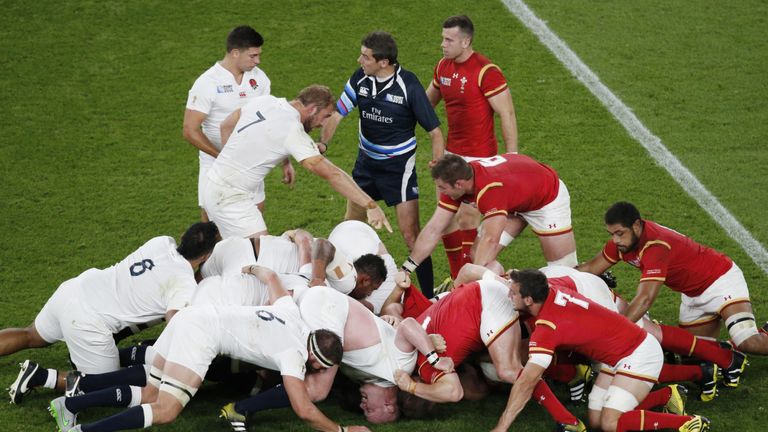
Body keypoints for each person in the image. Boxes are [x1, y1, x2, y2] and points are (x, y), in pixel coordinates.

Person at [48, 268, 370, 432]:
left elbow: (271, 278)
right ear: (314, 357)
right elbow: (303, 409)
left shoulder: (294, 316)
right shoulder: (294, 356)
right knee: (166, 410)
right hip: (200, 335)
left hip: (192, 315)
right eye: (321, 366)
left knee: (150, 391)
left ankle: (69, 404)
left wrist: (250, 268)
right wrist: (340, 430)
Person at [4, 222, 219, 404]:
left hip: (76, 288)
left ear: (182, 236)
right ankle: (39, 376)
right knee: (106, 385)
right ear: (206, 256)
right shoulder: (184, 284)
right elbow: (175, 319)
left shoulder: (161, 242)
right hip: (88, 321)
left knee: (30, 335)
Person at [492, 269, 710, 432]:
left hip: (639, 354)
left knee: (609, 422)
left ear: (529, 300)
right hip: (619, 355)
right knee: (595, 420)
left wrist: (501, 427)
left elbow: (526, 381)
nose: (508, 296)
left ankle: (688, 423)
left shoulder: (547, 328)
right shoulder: (552, 290)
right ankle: (666, 394)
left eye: (512, 293)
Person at [578, 201, 758, 389]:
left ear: (637, 226)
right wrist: (559, 280)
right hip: (692, 296)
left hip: (720, 281)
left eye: (619, 233)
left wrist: (616, 331)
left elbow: (645, 299)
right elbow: (590, 268)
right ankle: (733, 352)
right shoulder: (625, 243)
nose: (615, 240)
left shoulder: (656, 246)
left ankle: (753, 339)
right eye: (612, 234)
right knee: (694, 357)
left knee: (748, 341)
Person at [220, 286, 451, 427]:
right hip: (328, 312)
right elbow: (409, 325)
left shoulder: (369, 377)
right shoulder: (401, 367)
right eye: (369, 408)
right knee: (317, 389)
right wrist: (433, 357)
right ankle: (241, 408)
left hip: (323, 307)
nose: (363, 405)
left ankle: (224, 342)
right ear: (390, 405)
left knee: (280, 350)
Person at [321, 31, 443, 295]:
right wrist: (323, 145)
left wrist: (437, 163)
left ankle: (429, 296)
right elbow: (338, 114)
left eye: (365, 56)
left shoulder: (408, 86)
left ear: (384, 62)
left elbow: (435, 131)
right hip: (365, 165)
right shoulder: (360, 78)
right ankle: (341, 287)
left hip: (398, 169)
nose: (359, 59)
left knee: (411, 235)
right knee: (350, 226)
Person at [203, 84, 391, 251]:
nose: (323, 124)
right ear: (313, 109)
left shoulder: (267, 101)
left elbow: (226, 124)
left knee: (224, 254)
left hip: (213, 184)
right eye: (325, 116)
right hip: (230, 198)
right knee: (261, 256)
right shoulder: (293, 130)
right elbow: (332, 174)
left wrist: (235, 160)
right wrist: (369, 204)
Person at [391, 277, 583, 431]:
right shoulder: (410, 344)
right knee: (508, 359)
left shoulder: (426, 368)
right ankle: (577, 361)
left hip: (486, 303)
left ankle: (569, 421)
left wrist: (412, 387)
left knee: (509, 371)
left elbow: (453, 392)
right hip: (479, 291)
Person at [427, 15, 519, 279]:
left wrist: (511, 157)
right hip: (449, 156)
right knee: (445, 221)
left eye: (449, 39)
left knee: (468, 221)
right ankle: (460, 278)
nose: (442, 44)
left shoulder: (486, 71)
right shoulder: (442, 67)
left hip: (479, 160)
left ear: (466, 41)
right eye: (443, 38)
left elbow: (507, 114)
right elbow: (426, 104)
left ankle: (467, 281)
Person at [400, 153, 577, 281]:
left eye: (442, 188)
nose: (440, 192)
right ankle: (504, 293)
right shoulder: (457, 179)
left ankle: (599, 281)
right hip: (514, 197)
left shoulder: (489, 190)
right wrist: (407, 269)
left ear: (459, 184)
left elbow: (491, 239)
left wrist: (467, 282)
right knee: (477, 255)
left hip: (546, 198)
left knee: (564, 271)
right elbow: (434, 228)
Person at [183, 26, 288, 222]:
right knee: (213, 227)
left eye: (258, 55)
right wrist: (223, 157)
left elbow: (269, 120)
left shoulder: (259, 78)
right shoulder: (207, 83)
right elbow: (190, 130)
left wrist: (285, 161)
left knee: (254, 218)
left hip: (250, 162)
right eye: (253, 56)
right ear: (235, 53)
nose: (257, 61)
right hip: (215, 164)